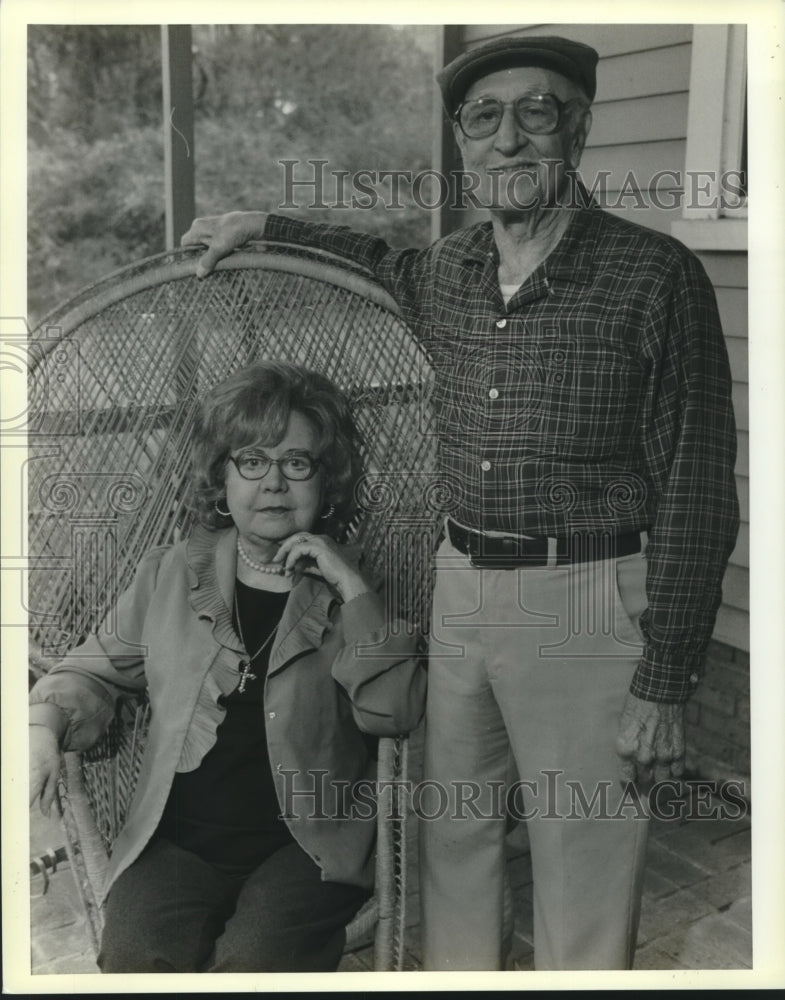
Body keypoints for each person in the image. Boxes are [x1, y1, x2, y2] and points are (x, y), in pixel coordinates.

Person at [180, 35, 740, 971]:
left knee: (582, 850)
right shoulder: (452, 270)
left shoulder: (655, 276)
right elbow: (372, 259)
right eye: (485, 117)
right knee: (456, 838)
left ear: (581, 128)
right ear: (463, 140)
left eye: (538, 111)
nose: (510, 139)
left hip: (588, 600)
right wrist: (262, 222)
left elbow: (696, 485)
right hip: (462, 588)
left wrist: (667, 679)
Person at [29, 360, 426, 973]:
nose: (273, 483)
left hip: (305, 847)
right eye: (252, 460)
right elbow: (92, 671)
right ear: (222, 477)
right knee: (134, 961)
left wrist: (354, 593)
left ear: (327, 482)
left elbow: (393, 713)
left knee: (254, 965)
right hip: (180, 838)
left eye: (297, 463)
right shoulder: (169, 572)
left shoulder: (358, 585)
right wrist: (43, 724)